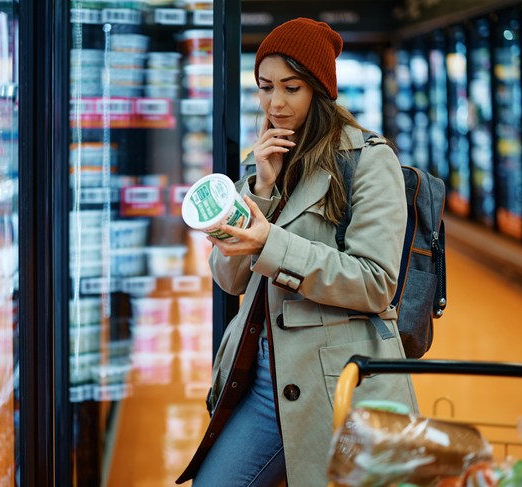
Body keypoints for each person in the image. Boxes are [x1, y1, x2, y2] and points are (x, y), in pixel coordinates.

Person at [176, 17, 418, 487]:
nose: (276, 103)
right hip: (262, 374)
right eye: (266, 88)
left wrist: (272, 243)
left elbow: (375, 283)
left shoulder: (368, 160)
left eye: (292, 87)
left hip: (339, 380)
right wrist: (262, 189)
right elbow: (230, 280)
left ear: (320, 90)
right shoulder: (264, 159)